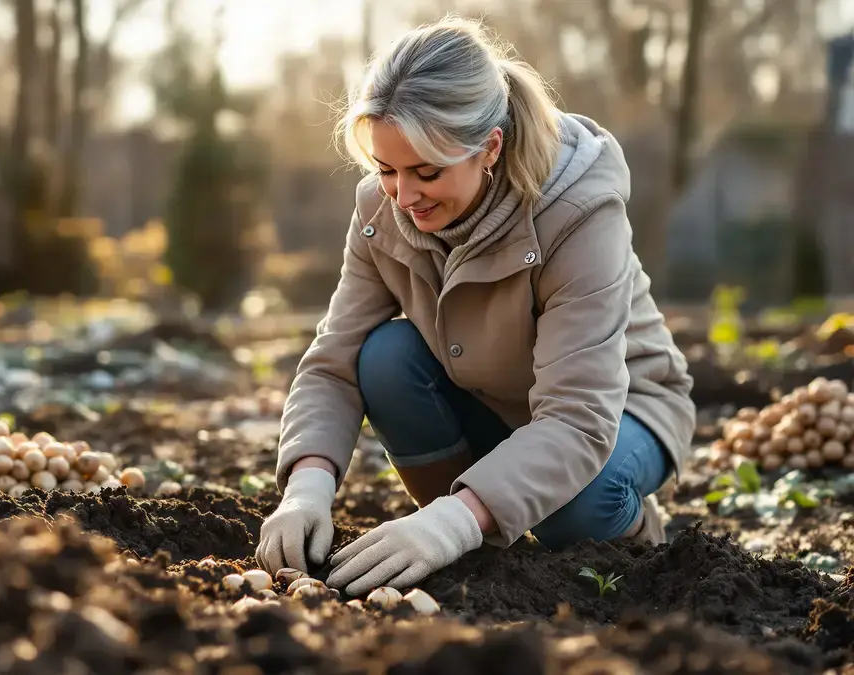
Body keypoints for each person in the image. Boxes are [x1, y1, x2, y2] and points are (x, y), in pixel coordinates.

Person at [254, 16, 695, 597]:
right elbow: (333, 362)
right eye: (386, 170)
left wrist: (451, 523)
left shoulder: (580, 212)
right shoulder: (381, 211)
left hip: (620, 409)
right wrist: (307, 486)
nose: (404, 196)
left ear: (489, 148)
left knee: (575, 506)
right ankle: (475, 542)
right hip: (495, 400)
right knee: (384, 357)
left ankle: (629, 531)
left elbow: (578, 417)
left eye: (427, 172)